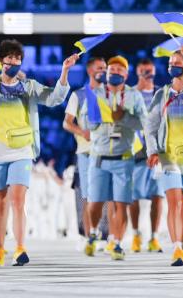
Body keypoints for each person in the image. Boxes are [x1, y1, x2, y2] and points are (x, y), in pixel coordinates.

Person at [0, 41, 75, 267]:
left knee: (18, 201)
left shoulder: (29, 86)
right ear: (1, 62)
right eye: (9, 58)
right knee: (0, 204)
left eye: (17, 59)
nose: (13, 62)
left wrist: (65, 71)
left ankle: (20, 248)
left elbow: (54, 98)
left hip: (22, 151)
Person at [85, 56, 146, 261]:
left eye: (120, 70)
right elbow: (87, 123)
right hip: (99, 155)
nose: (115, 73)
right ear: (107, 72)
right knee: (95, 202)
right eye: (112, 69)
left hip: (124, 156)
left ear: (126, 75)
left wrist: (124, 117)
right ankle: (93, 232)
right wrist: (102, 117)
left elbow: (143, 124)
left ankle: (117, 243)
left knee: (121, 203)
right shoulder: (96, 94)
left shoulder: (134, 96)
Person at [144, 49, 183, 266]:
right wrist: (152, 150)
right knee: (174, 202)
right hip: (168, 157)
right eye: (170, 63)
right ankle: (176, 247)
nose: (171, 66)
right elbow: (150, 126)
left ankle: (182, 245)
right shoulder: (163, 94)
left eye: (177, 62)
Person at [63, 56, 106, 251]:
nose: (103, 72)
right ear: (90, 71)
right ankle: (90, 236)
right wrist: (83, 132)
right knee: (88, 195)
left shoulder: (110, 94)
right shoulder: (79, 95)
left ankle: (106, 236)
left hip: (107, 151)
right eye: (99, 68)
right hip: (86, 152)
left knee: (106, 195)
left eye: (105, 68)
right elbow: (67, 122)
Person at [130, 58, 163, 253]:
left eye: (149, 71)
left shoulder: (160, 93)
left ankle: (154, 237)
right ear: (137, 72)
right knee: (134, 197)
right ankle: (135, 234)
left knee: (157, 195)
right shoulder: (130, 94)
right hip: (136, 150)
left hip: (158, 150)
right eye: (143, 71)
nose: (146, 74)